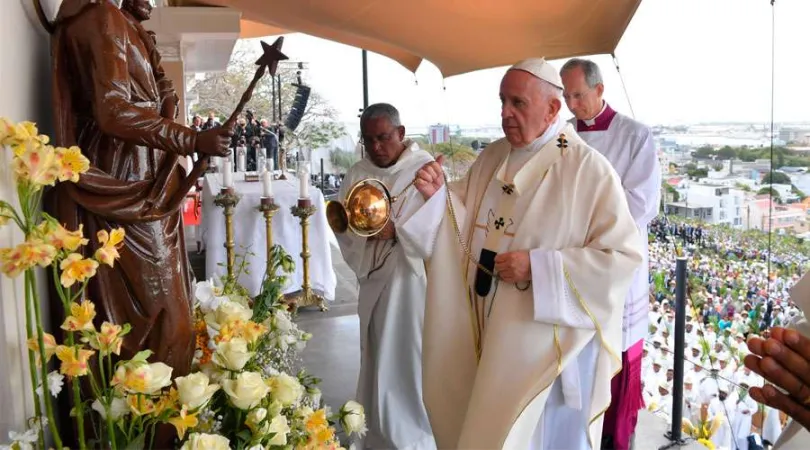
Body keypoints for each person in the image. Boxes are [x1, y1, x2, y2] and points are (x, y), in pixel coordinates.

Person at [398, 58, 643, 449]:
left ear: (552, 109)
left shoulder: (588, 171)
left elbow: (621, 257)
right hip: (484, 331)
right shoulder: (493, 157)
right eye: (502, 102)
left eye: (517, 103)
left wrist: (540, 267)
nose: (505, 114)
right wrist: (437, 197)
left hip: (546, 356)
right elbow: (460, 221)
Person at [50, 0, 231, 378]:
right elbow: (112, 111)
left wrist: (168, 103)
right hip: (127, 180)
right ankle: (154, 426)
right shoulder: (102, 17)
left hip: (148, 180)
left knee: (172, 315)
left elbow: (145, 101)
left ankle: (162, 421)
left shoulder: (122, 22)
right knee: (166, 323)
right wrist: (192, 140)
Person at [559, 58, 661, 450]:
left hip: (617, 265)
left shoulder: (635, 135)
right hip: (575, 264)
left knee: (616, 368)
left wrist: (588, 230)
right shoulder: (563, 136)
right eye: (566, 96)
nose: (572, 104)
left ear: (600, 90)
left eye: (579, 95)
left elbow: (641, 204)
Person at [335, 103, 436, 449]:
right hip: (373, 279)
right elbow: (344, 226)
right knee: (376, 350)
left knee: (407, 355)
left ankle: (412, 435)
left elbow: (441, 226)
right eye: (369, 140)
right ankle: (375, 430)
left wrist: (397, 231)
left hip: (410, 283)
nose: (377, 147)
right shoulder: (358, 172)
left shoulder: (425, 171)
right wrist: (361, 232)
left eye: (383, 138)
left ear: (401, 134)